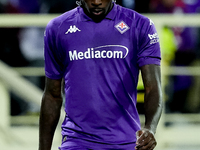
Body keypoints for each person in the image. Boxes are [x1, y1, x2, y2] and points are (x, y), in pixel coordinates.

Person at [39, 0, 163, 150]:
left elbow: (153, 87)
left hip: (126, 142)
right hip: (76, 141)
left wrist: (150, 128)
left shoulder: (140, 25)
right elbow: (52, 95)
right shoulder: (57, 28)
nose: (96, 2)